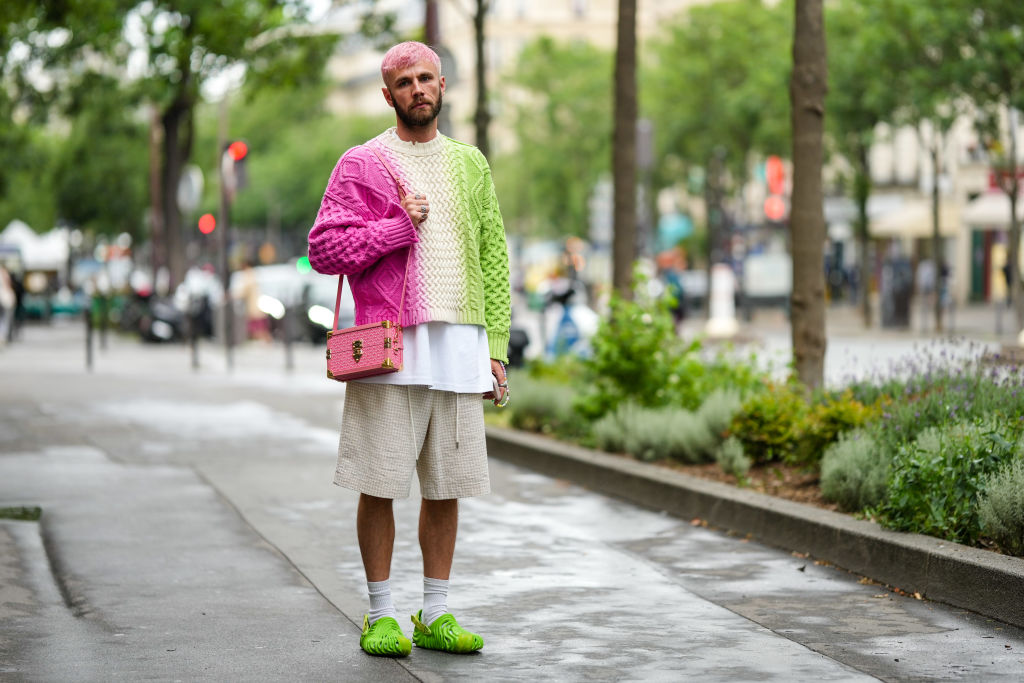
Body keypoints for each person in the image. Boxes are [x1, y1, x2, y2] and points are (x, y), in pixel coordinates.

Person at [307, 41, 511, 658]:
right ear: (387, 93)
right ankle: (380, 615)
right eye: (404, 81)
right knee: (380, 483)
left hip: (459, 345)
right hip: (387, 347)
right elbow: (323, 249)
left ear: (443, 85)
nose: (417, 89)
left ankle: (437, 613)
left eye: (426, 78)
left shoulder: (471, 163)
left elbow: (494, 257)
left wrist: (495, 348)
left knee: (445, 488)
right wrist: (396, 227)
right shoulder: (361, 163)